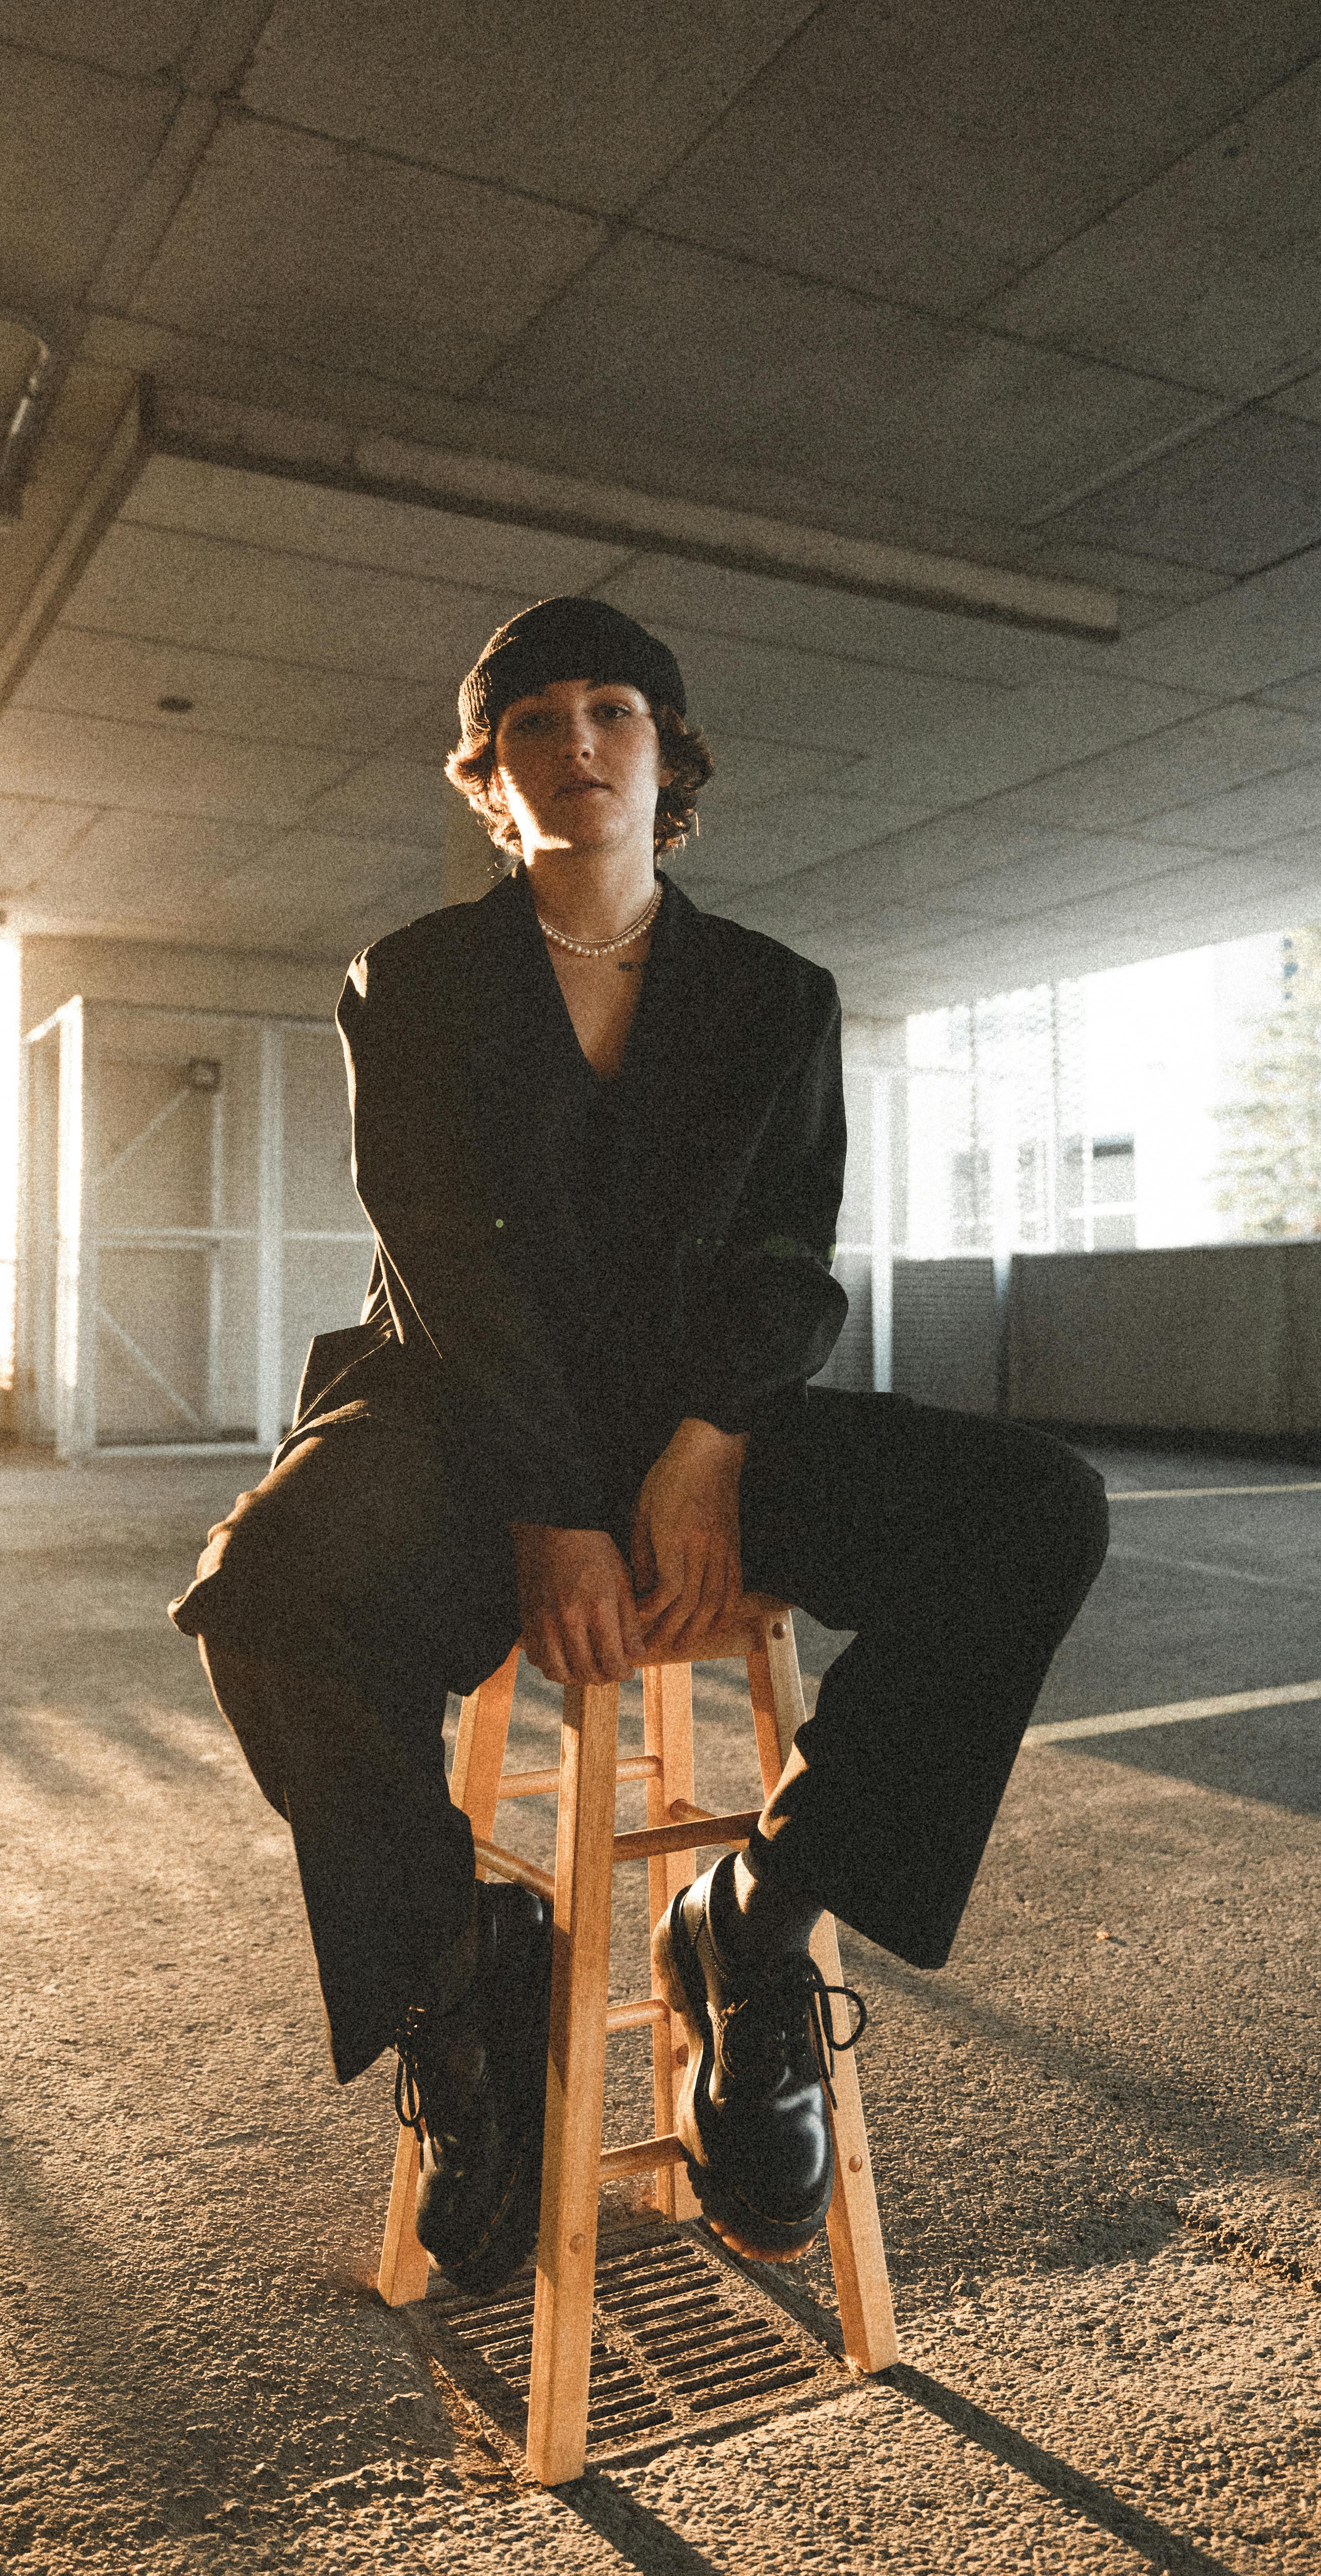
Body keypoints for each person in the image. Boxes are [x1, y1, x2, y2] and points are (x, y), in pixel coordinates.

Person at [171, 596, 1108, 2289]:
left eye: (615, 710)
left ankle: (757, 1936)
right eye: (533, 722)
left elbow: (780, 1256)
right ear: (485, 780)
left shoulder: (773, 997)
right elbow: (441, 1263)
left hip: (704, 1427)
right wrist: (552, 1514)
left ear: (668, 758)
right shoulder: (416, 982)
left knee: (1031, 1509)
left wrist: (705, 1452)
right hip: (460, 1414)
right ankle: (462, 1975)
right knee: (267, 1586)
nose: (578, 742)